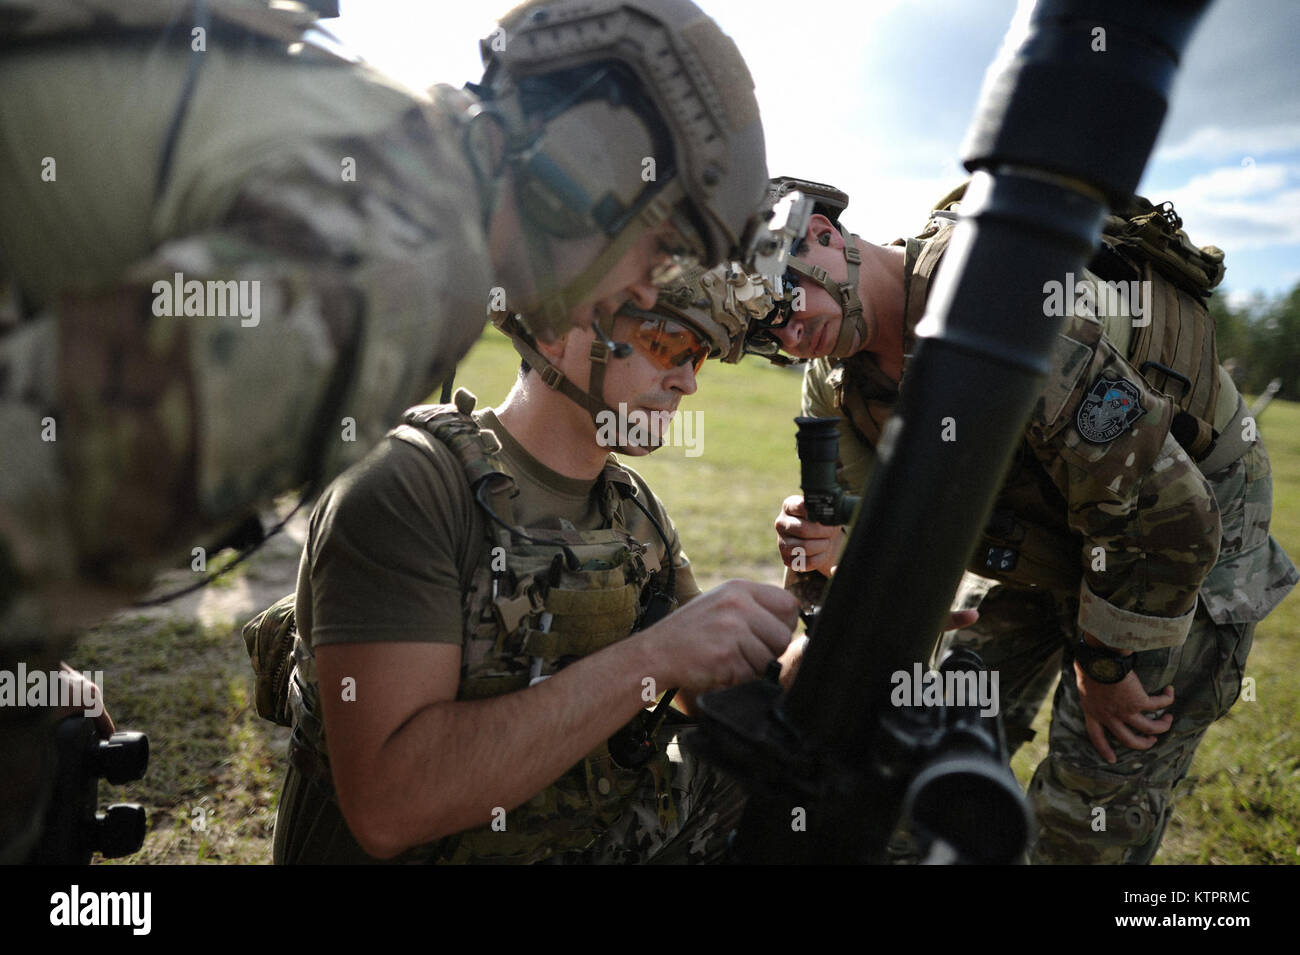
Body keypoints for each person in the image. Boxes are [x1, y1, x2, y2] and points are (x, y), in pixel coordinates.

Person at [0, 0, 770, 862]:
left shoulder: (393, 149)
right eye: (658, 245)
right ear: (591, 169)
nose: (641, 289)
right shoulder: (400, 260)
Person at [762, 180, 1298, 864]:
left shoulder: (1002, 301)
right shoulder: (839, 373)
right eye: (764, 330)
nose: (789, 335)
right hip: (1044, 526)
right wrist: (837, 547)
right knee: (916, 749)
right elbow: (887, 523)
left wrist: (1106, 663)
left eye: (785, 300)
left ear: (825, 238)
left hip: (1173, 539)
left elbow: (1174, 513)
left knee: (1089, 809)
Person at [273, 264, 801, 864]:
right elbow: (390, 808)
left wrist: (825, 616)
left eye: (698, 355)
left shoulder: (632, 511)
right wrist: (656, 655)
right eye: (666, 343)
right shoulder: (407, 486)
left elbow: (717, 689)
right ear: (555, 330)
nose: (686, 382)